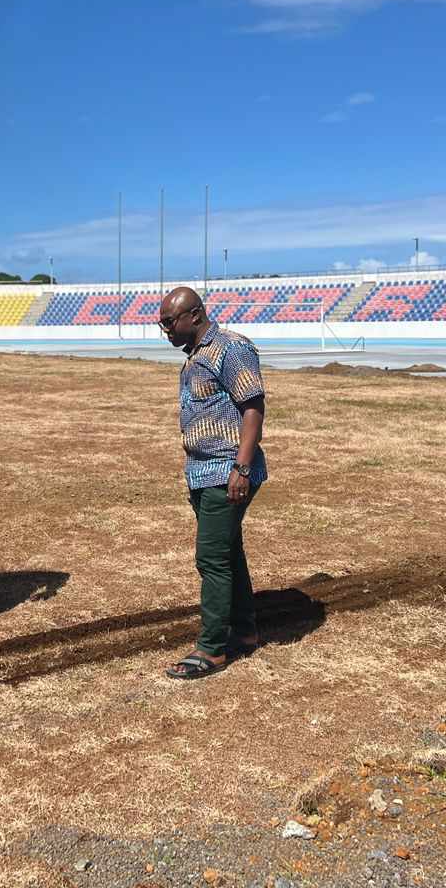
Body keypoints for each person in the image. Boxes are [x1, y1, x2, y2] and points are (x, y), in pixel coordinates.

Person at [158, 286, 267, 679]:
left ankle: (212, 649)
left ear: (195, 315)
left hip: (227, 470)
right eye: (161, 324)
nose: (165, 330)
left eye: (169, 322)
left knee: (211, 557)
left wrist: (241, 468)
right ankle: (245, 631)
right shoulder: (196, 356)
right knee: (228, 552)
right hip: (203, 473)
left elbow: (253, 407)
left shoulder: (230, 348)